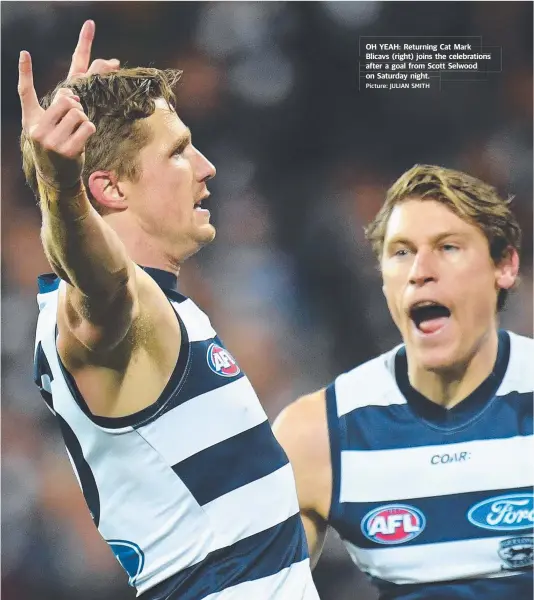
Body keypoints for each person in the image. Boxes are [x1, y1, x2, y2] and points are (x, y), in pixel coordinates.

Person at [21, 21, 319, 600]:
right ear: (110, 190)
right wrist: (61, 186)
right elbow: (99, 281)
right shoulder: (114, 313)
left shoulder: (166, 310)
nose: (206, 167)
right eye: (179, 150)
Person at [274, 164, 533, 599]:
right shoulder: (317, 435)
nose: (420, 270)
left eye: (448, 247)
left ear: (504, 265)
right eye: (400, 252)